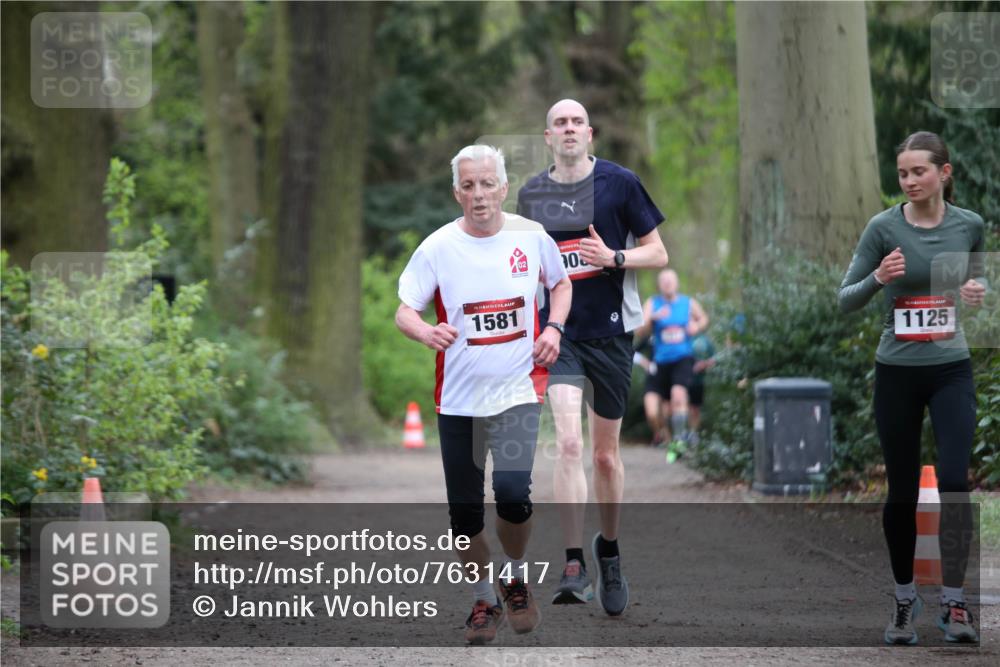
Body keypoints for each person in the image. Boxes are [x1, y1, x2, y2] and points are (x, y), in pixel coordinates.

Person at [396, 145, 572, 644]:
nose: (479, 195)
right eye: (468, 186)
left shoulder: (530, 237)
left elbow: (561, 285)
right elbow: (405, 310)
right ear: (457, 192)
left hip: (518, 389)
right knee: (465, 515)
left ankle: (514, 577)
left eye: (487, 184)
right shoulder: (437, 247)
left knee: (514, 493)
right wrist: (425, 332)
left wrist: (554, 328)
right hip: (459, 399)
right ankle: (483, 598)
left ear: (503, 187)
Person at [516, 99, 668, 614]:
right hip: (559, 335)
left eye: (577, 122)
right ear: (548, 136)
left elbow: (659, 252)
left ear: (590, 134)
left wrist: (615, 257)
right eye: (559, 123)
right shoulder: (532, 194)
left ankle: (610, 550)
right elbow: (525, 266)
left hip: (612, 334)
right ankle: (573, 562)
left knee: (605, 456)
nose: (569, 129)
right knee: (567, 443)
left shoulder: (620, 183)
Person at [838, 131, 986, 645]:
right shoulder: (883, 228)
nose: (909, 180)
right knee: (902, 491)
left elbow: (979, 284)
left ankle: (955, 604)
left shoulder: (969, 225)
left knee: (954, 481)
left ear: (944, 173)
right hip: (897, 372)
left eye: (918, 171)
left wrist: (977, 291)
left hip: (950, 369)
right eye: (902, 173)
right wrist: (879, 277)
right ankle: (905, 600)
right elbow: (845, 298)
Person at [634, 269, 709, 461]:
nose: (667, 283)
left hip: (682, 358)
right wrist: (652, 319)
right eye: (664, 281)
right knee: (652, 411)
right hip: (660, 362)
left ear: (677, 283)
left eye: (670, 280)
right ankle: (665, 437)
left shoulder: (688, 303)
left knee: (678, 396)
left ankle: (679, 440)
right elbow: (639, 331)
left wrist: (696, 326)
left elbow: (704, 319)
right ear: (659, 284)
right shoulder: (653, 303)